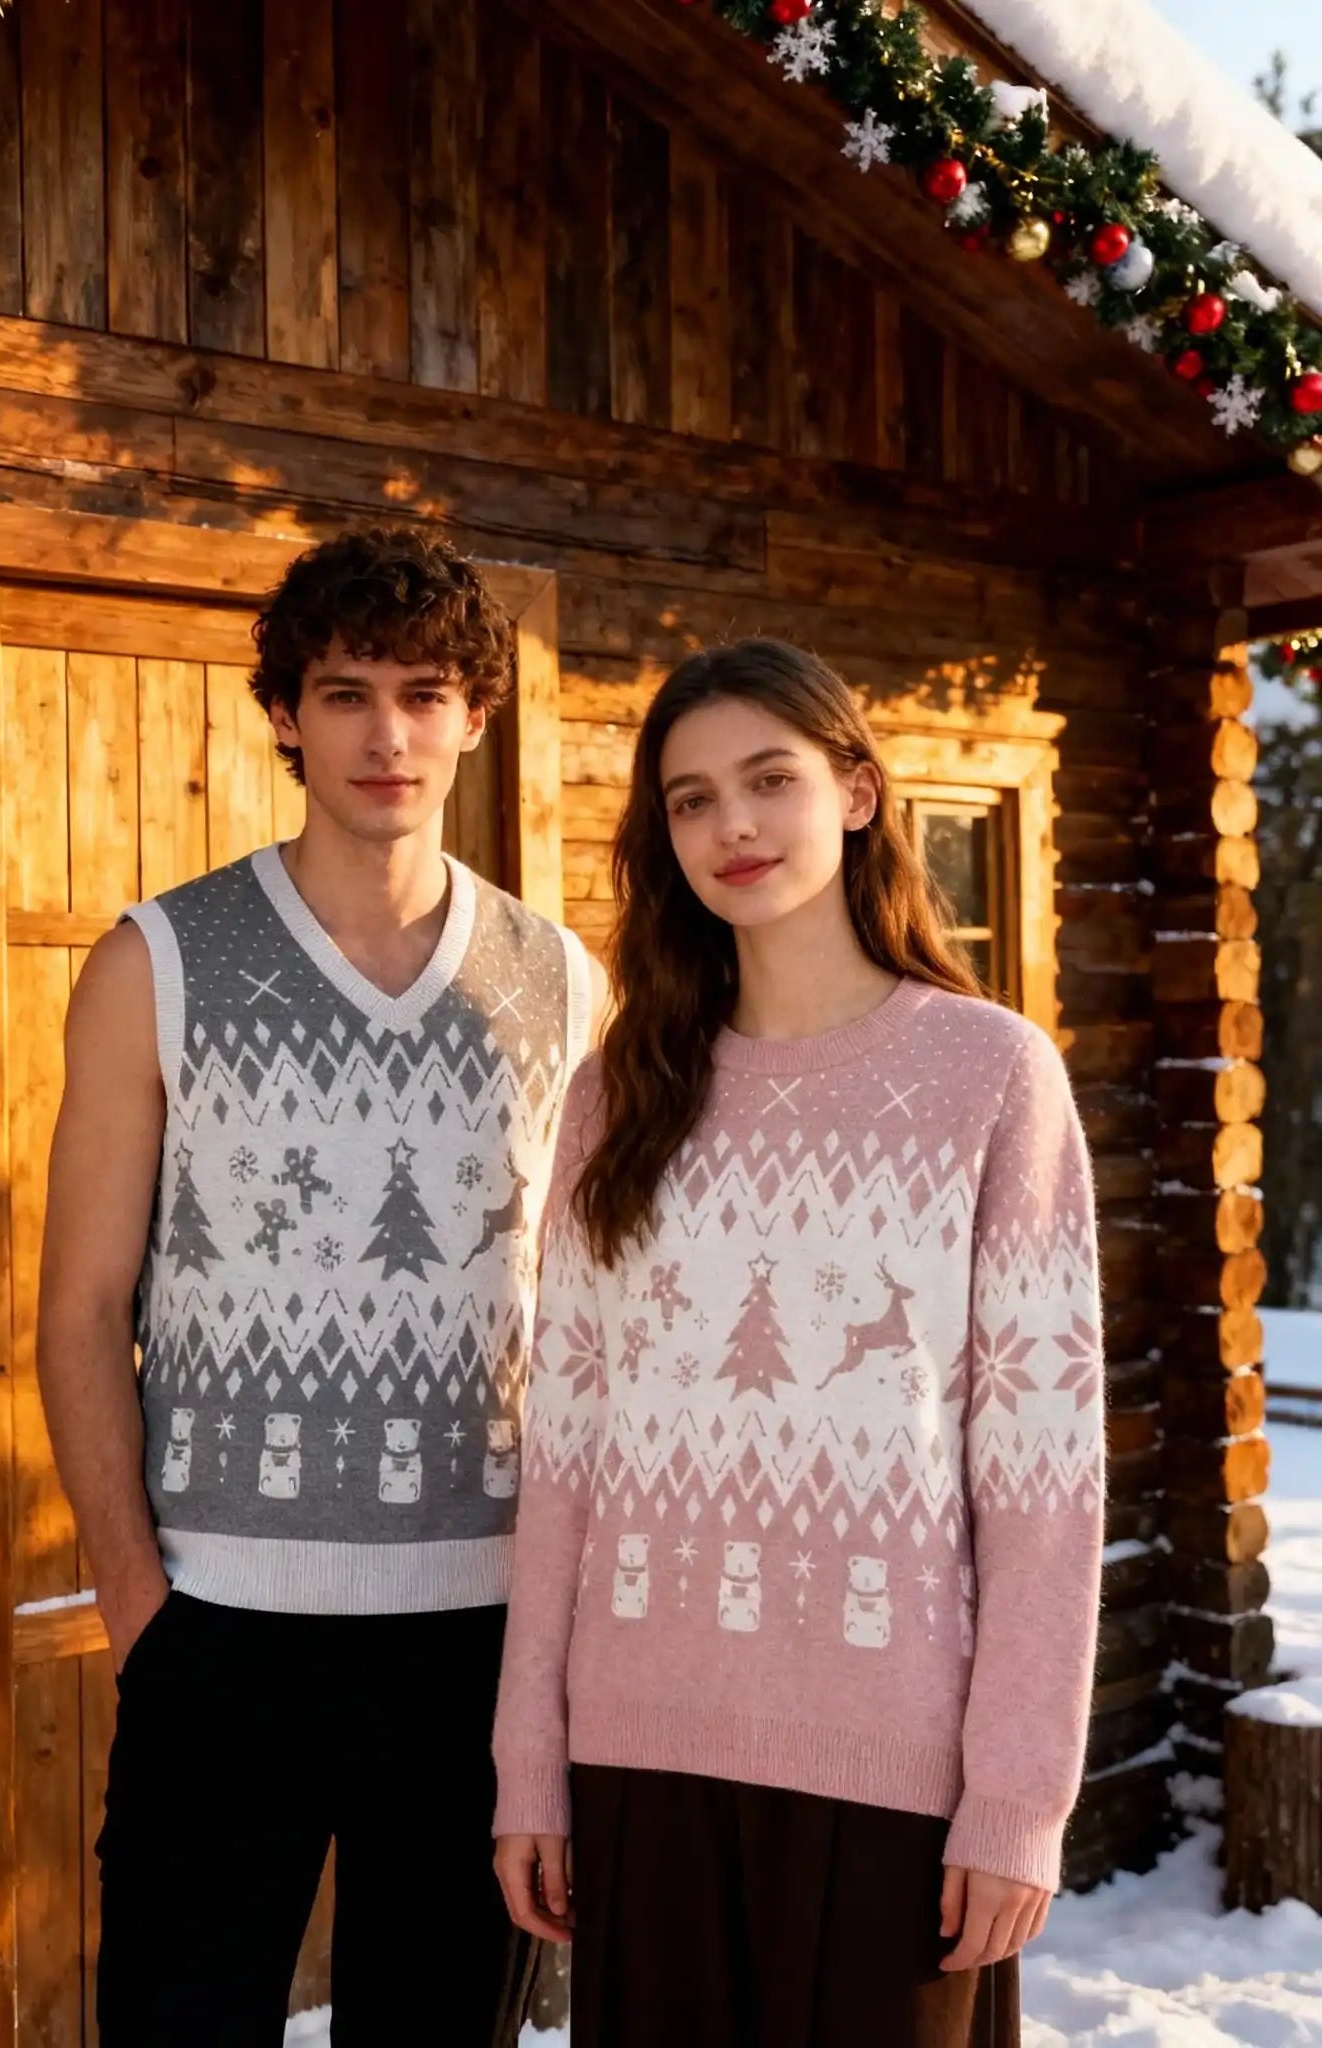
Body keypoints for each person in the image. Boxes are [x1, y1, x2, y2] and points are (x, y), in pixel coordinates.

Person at [492, 639, 1104, 2048]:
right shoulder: (619, 1093)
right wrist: (530, 1764)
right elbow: (565, 1460)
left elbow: (1044, 1484)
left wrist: (1018, 1800)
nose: (735, 826)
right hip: (639, 1760)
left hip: (898, 1780)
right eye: (692, 799)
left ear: (858, 794)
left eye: (771, 780)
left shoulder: (990, 1075)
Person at [37, 526, 599, 2047]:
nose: (387, 735)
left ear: (474, 717)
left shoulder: (562, 980)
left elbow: (588, 1319)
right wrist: (141, 1607)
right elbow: (82, 1305)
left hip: (482, 1632)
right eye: (347, 694)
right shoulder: (159, 961)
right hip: (220, 1624)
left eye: (424, 696)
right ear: (287, 713)